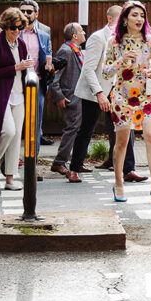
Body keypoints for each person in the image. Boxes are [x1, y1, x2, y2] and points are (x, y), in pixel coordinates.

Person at [103, 0, 151, 205]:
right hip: (122, 96)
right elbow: (105, 72)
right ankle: (118, 182)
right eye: (135, 15)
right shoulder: (114, 42)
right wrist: (121, 60)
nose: (139, 19)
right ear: (125, 19)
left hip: (146, 96)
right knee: (122, 142)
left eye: (142, 15)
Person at [70, 6, 142, 181]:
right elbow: (88, 69)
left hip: (118, 91)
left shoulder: (126, 38)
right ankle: (74, 168)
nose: (125, 22)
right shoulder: (97, 38)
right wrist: (99, 93)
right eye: (122, 19)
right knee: (87, 129)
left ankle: (128, 170)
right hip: (95, 90)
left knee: (125, 127)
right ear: (110, 19)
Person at [0, 8, 34, 191]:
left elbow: (24, 69)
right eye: (13, 28)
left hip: (20, 94)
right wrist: (15, 67)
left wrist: (28, 69)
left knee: (16, 137)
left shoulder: (21, 44)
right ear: (5, 26)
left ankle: (10, 177)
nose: (16, 31)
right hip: (0, 95)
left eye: (20, 28)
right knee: (8, 131)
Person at [49, 22, 86, 183]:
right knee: (72, 128)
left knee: (79, 129)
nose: (84, 33)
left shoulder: (76, 50)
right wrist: (59, 96)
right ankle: (59, 162)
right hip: (71, 96)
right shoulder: (66, 50)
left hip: (80, 96)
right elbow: (54, 76)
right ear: (74, 36)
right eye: (81, 31)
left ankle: (77, 161)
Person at [18, 0, 53, 151]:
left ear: (36, 14)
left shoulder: (44, 35)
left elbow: (48, 55)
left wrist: (49, 66)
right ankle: (9, 160)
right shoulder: (13, 33)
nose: (25, 14)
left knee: (35, 123)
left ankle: (34, 158)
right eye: (22, 11)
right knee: (15, 123)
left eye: (29, 11)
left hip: (38, 82)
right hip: (16, 83)